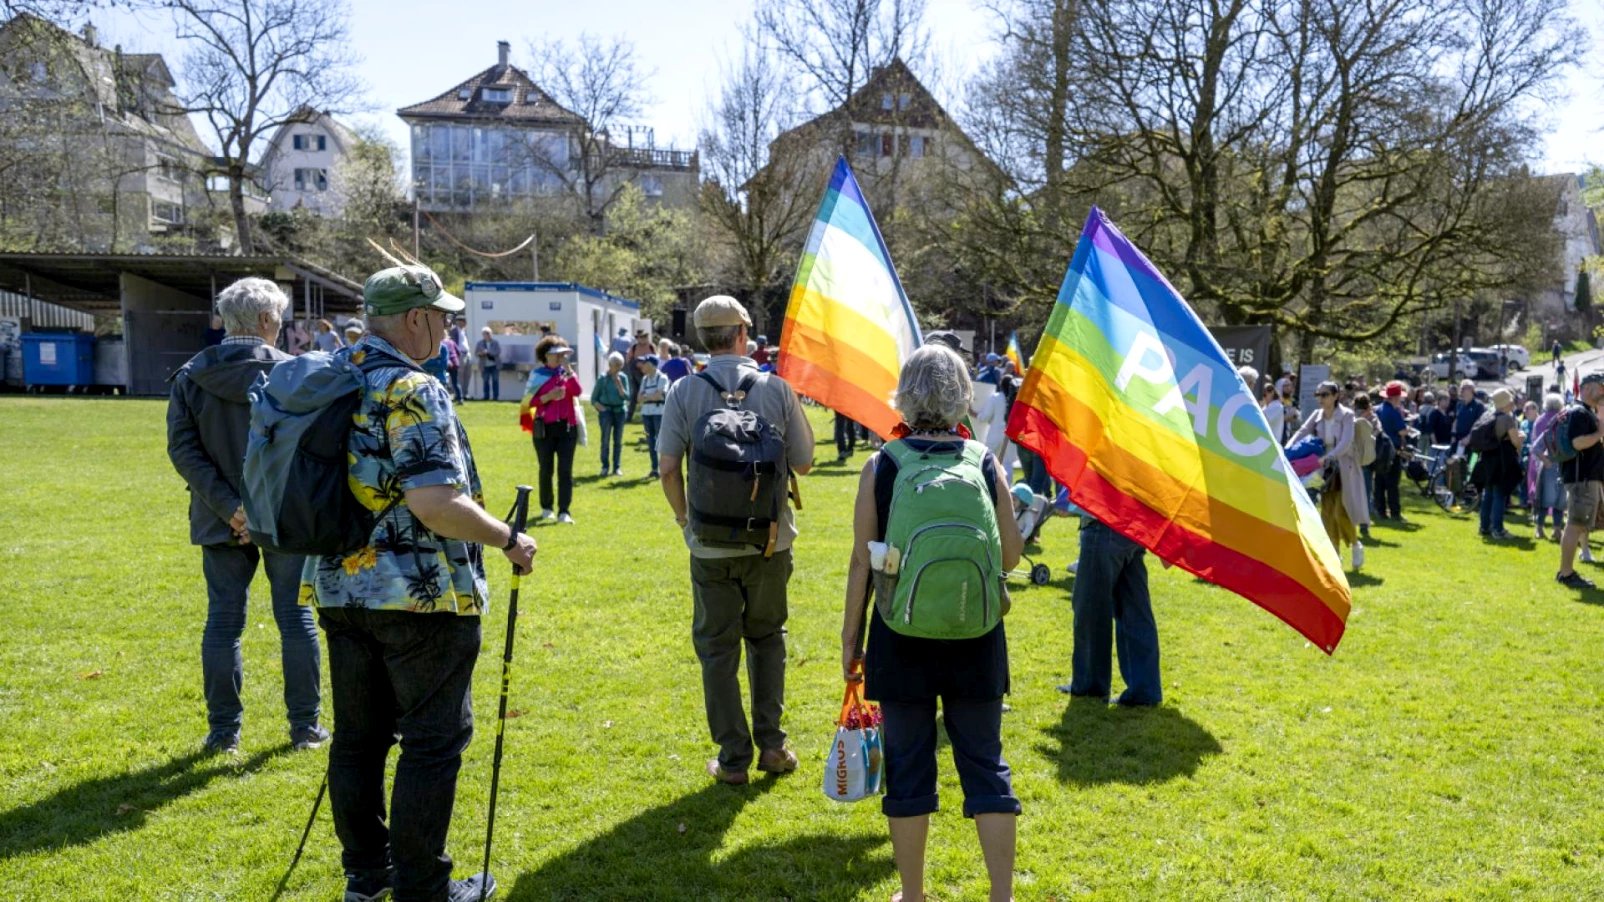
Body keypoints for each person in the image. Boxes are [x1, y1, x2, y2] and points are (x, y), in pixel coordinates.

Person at [302, 264, 536, 902]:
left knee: (358, 738)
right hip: (418, 593)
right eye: (441, 315)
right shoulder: (411, 387)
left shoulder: (330, 374)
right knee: (432, 742)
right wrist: (510, 538)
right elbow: (435, 503)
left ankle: (367, 880)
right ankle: (422, 888)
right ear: (413, 318)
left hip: (336, 585)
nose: (447, 326)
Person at [839, 344, 1023, 902]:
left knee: (908, 764)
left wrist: (851, 638)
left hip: (899, 634)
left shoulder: (883, 465)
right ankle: (1000, 895)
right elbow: (1010, 557)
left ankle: (914, 895)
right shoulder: (984, 463)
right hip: (977, 633)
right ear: (962, 395)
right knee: (985, 763)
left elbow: (860, 561)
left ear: (904, 394)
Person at [657, 295, 815, 785]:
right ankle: (773, 746)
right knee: (767, 640)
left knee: (717, 650)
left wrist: (686, 521)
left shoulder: (684, 390)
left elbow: (667, 469)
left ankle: (732, 759)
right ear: (744, 334)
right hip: (770, 542)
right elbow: (805, 462)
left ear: (703, 339)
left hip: (708, 545)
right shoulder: (776, 389)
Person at [167, 277, 325, 756]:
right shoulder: (296, 373)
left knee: (223, 624)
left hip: (219, 519)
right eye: (278, 315)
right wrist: (255, 507)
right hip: (284, 518)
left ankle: (223, 733)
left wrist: (229, 507)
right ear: (264, 321)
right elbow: (312, 450)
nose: (281, 323)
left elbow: (183, 451)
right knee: (295, 620)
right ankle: (305, 729)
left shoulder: (191, 375)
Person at [1060, 511, 1163, 707]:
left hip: (1104, 522)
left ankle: (1090, 684)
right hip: (1134, 524)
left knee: (1090, 608)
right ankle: (1144, 689)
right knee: (1134, 609)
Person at [1288, 380, 1368, 570]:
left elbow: (1346, 442)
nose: (1320, 399)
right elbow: (1302, 431)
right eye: (1318, 395)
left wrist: (1328, 457)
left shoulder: (1347, 415)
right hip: (1323, 469)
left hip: (1343, 467)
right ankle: (1335, 553)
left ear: (1335, 396)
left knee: (1341, 511)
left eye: (1324, 395)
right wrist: (1286, 449)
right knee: (1326, 512)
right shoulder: (1317, 415)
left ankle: (1355, 545)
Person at [523, 336, 583, 524]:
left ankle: (564, 511)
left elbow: (578, 391)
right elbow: (527, 402)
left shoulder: (567, 373)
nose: (560, 357)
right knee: (546, 469)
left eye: (562, 354)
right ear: (545, 355)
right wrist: (547, 396)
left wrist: (569, 370)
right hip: (544, 429)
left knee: (565, 471)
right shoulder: (538, 375)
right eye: (556, 354)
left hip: (567, 428)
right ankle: (547, 507)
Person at [1557, 374, 1604, 588]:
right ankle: (1566, 573)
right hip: (1581, 478)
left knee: (1576, 525)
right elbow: (1577, 443)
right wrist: (1599, 433)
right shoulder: (1579, 413)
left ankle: (1567, 572)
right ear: (1586, 388)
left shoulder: (1586, 412)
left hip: (1585, 477)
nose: (1603, 391)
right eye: (1600, 387)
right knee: (1574, 525)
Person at [1469, 389, 1524, 539]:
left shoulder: (1488, 415)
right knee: (1500, 494)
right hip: (1502, 459)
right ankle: (1498, 529)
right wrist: (1521, 442)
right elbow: (1515, 441)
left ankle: (1484, 526)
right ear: (1507, 403)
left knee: (1488, 494)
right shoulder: (1507, 419)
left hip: (1487, 458)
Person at [1530, 393, 1568, 541]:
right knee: (1546, 499)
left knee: (1560, 501)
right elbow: (1536, 447)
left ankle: (1557, 529)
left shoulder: (1565, 431)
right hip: (1550, 466)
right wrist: (1546, 461)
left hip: (1563, 467)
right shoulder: (1549, 431)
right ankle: (1539, 528)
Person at [592, 351, 631, 477]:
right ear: (610, 365)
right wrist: (601, 408)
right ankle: (605, 466)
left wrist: (619, 385)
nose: (618, 368)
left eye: (620, 365)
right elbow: (594, 398)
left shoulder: (623, 378)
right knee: (605, 440)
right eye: (616, 365)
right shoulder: (602, 379)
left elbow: (626, 396)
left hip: (620, 411)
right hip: (606, 412)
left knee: (618, 441)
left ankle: (616, 467)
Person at [1375, 381, 1410, 521]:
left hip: (1378, 450)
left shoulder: (1378, 409)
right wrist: (1408, 430)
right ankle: (1395, 513)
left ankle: (1380, 511)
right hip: (1392, 451)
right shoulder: (1393, 412)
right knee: (1392, 483)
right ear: (1395, 398)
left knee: (1379, 483)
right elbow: (1402, 431)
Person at [636, 354, 668, 479]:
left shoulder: (662, 377)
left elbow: (658, 396)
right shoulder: (645, 379)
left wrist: (647, 397)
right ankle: (654, 469)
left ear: (652, 365)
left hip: (659, 413)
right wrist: (652, 396)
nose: (642, 365)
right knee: (650, 440)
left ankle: (663, 468)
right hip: (646, 413)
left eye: (645, 363)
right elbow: (639, 398)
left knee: (660, 441)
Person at [1352, 393, 1379, 538]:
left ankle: (1350, 522)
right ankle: (1364, 524)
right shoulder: (1373, 419)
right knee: (1366, 492)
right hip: (1367, 458)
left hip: (1352, 458)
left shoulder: (1349, 417)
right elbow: (1377, 434)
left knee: (1351, 491)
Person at [1452, 380, 1484, 452]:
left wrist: (1469, 438)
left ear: (1471, 389)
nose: (1461, 390)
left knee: (1473, 462)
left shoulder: (1479, 405)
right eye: (1461, 387)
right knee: (1456, 462)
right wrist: (1453, 436)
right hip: (1459, 440)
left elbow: (1480, 424)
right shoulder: (1459, 404)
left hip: (1474, 442)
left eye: (1464, 388)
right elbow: (1456, 420)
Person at [475, 326, 502, 401]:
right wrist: (481, 353)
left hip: (494, 365)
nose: (487, 335)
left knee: (495, 381)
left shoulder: (495, 342)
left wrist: (488, 352)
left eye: (488, 333)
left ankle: (495, 397)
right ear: (483, 335)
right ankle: (486, 396)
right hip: (484, 366)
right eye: (485, 333)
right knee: (485, 381)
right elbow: (476, 353)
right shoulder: (480, 343)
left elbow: (498, 351)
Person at [447, 314, 469, 403]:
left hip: (466, 353)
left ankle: (464, 393)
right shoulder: (454, 331)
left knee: (467, 375)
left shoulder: (463, 331)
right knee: (459, 376)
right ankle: (458, 394)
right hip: (460, 354)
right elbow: (453, 344)